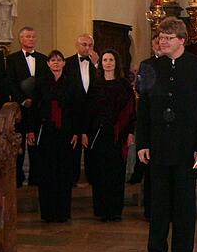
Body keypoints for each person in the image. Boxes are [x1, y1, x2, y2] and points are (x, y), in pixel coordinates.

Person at [137, 17, 197, 252]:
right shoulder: (148, 66)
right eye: (161, 37)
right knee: (158, 204)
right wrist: (142, 143)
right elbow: (144, 109)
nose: (163, 41)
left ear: (181, 40)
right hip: (158, 146)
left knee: (184, 204)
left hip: (188, 147)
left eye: (168, 38)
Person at [27, 50, 81, 223]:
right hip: (46, 132)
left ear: (64, 63)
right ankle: (48, 213)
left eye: (59, 60)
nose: (56, 63)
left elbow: (77, 110)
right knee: (47, 173)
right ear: (48, 64)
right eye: (52, 60)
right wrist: (31, 130)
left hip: (66, 132)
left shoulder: (72, 82)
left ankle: (63, 213)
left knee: (64, 173)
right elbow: (33, 109)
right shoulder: (40, 83)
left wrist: (76, 132)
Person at [82, 50, 134, 222]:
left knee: (116, 173)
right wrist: (85, 132)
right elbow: (88, 111)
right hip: (99, 134)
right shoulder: (96, 85)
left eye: (111, 59)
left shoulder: (124, 85)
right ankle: (102, 210)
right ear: (101, 63)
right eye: (105, 60)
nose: (108, 63)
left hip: (118, 134)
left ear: (116, 62)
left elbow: (131, 111)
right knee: (100, 172)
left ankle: (115, 210)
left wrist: (130, 133)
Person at [6, 26, 50, 187]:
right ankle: (17, 178)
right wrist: (23, 100)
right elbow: (10, 83)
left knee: (36, 145)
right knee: (18, 144)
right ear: (21, 39)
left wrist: (37, 100)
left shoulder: (43, 58)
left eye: (33, 36)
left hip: (38, 109)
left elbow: (45, 83)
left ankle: (36, 179)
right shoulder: (12, 59)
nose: (31, 39)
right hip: (19, 110)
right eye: (27, 37)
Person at [132, 34, 162, 219]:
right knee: (151, 173)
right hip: (152, 126)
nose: (160, 44)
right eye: (157, 42)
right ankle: (150, 210)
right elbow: (141, 92)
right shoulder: (147, 64)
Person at [63, 34, 98, 187]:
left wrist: (97, 64)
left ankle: (92, 178)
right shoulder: (67, 63)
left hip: (92, 112)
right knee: (74, 146)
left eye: (90, 45)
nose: (87, 48)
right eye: (84, 44)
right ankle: (72, 178)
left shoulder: (98, 64)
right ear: (77, 45)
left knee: (92, 146)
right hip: (74, 111)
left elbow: (101, 84)